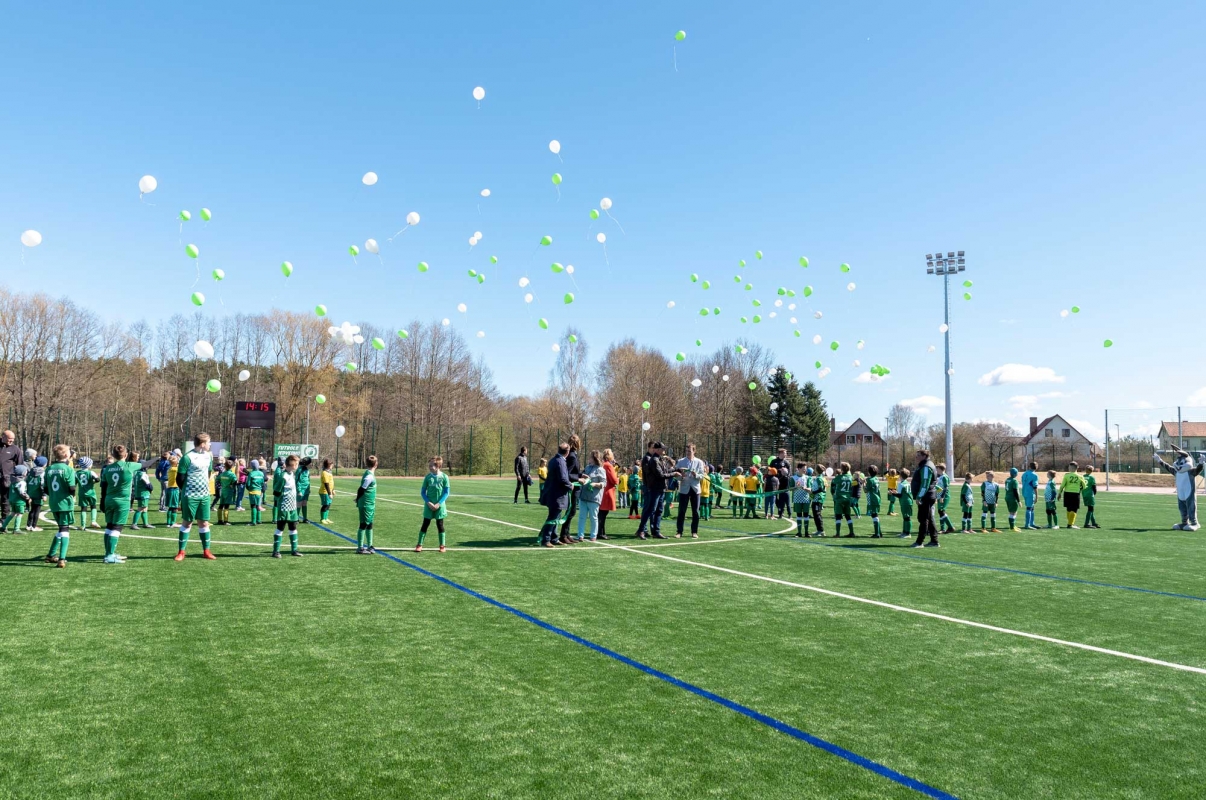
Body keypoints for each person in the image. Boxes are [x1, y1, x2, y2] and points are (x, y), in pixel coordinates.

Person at [175, 433, 217, 561]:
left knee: (204, 523)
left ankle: (206, 551)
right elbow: (179, 478)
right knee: (187, 523)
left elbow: (209, 472)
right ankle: (181, 552)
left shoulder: (209, 456)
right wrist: (188, 491)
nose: (210, 445)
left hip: (204, 495)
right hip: (189, 496)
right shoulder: (187, 457)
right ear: (203, 444)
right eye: (209, 442)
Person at [1153, 448, 1205, 530]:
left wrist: (1201, 463)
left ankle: (1194, 523)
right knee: (1182, 508)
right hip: (1180, 494)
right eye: (1178, 463)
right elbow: (1168, 467)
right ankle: (1184, 523)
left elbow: (1198, 470)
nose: (1179, 465)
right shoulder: (1176, 472)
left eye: (1181, 463)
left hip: (1189, 493)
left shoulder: (1190, 472)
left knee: (1191, 507)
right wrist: (1159, 460)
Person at [100, 445, 136, 564]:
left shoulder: (107, 469)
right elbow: (145, 465)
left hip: (109, 499)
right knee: (116, 528)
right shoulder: (129, 466)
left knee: (109, 526)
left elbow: (103, 486)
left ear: (113, 455)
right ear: (125, 455)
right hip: (122, 501)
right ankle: (109, 556)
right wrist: (156, 458)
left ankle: (108, 553)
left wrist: (102, 501)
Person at [44, 445, 76, 567]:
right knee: (65, 530)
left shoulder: (49, 468)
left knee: (60, 528)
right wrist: (73, 496)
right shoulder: (68, 469)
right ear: (67, 455)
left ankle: (51, 555)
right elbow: (71, 487)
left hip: (54, 502)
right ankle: (61, 559)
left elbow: (46, 488)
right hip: (65, 503)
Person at [636, 441, 674, 540]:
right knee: (650, 509)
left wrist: (676, 470)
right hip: (654, 488)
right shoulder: (654, 460)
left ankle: (656, 531)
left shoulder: (660, 459)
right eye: (662, 449)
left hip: (660, 488)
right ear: (657, 450)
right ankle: (641, 530)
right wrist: (674, 474)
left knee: (659, 510)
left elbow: (665, 471)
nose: (664, 450)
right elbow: (660, 475)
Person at [538, 443, 573, 547]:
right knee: (553, 517)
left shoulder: (554, 460)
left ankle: (554, 538)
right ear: (567, 452)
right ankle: (546, 539)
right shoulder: (560, 461)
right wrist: (570, 485)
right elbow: (563, 479)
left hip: (553, 493)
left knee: (557, 516)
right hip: (556, 494)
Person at [417, 456, 452, 552]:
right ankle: (419, 544)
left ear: (438, 466)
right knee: (425, 524)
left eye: (431, 465)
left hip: (440, 507)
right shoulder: (428, 477)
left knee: (440, 525)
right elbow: (423, 492)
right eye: (429, 465)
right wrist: (428, 502)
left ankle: (442, 545)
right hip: (429, 506)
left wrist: (439, 504)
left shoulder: (444, 477)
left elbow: (446, 492)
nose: (430, 467)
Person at [271, 455, 303, 557]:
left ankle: (294, 550)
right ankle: (276, 551)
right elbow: (276, 491)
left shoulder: (292, 474)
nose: (298, 465)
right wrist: (281, 500)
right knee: (280, 527)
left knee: (293, 527)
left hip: (292, 507)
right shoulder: (283, 476)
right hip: (284, 507)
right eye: (297, 463)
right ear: (292, 464)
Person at [675, 442, 707, 539]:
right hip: (684, 488)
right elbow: (676, 475)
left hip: (695, 489)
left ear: (694, 451)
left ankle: (694, 531)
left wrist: (696, 475)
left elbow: (702, 476)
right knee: (681, 511)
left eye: (690, 451)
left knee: (695, 512)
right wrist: (681, 476)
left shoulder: (699, 462)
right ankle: (679, 532)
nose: (688, 453)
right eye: (686, 451)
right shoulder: (681, 461)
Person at [574, 451, 606, 542]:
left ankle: (593, 535)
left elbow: (604, 483)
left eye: (591, 457)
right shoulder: (587, 468)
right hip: (583, 496)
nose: (589, 458)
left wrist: (595, 484)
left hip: (594, 498)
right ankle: (580, 535)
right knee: (582, 517)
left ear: (595, 458)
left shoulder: (601, 470)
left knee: (593, 517)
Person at [910, 451, 939, 548]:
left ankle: (919, 542)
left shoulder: (926, 467)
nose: (916, 457)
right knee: (929, 518)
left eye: (918, 456)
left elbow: (925, 484)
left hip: (926, 496)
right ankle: (934, 541)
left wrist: (919, 496)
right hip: (928, 495)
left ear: (924, 456)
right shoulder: (924, 465)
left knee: (923, 519)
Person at [355, 455, 379, 554]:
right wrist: (357, 498)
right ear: (376, 464)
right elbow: (361, 488)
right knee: (363, 524)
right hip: (366, 503)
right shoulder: (369, 476)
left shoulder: (369, 474)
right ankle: (360, 547)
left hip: (370, 504)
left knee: (370, 524)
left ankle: (370, 545)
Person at [0, 430, 24, 519]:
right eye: (10, 439)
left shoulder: (15, 449)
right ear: (3, 437)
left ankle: (3, 520)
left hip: (6, 477)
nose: (11, 441)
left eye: (13, 439)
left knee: (5, 499)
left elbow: (20, 465)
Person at [1058, 461, 1087, 529]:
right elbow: (1084, 486)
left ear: (1070, 468)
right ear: (1077, 468)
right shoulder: (1080, 476)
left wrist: (1059, 493)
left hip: (1067, 493)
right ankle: (1070, 524)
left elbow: (1062, 485)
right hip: (1075, 493)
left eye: (1069, 467)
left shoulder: (1066, 475)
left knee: (1068, 509)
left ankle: (1070, 523)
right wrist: (1080, 488)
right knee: (1074, 509)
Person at [1, 464, 30, 533]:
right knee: (19, 514)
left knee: (12, 513)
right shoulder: (22, 482)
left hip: (12, 500)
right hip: (19, 501)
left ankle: (3, 527)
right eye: (25, 471)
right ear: (22, 473)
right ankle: (16, 529)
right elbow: (22, 492)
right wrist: (27, 497)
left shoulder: (13, 481)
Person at [596, 449, 617, 540]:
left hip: (601, 491)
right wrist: (618, 479)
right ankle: (600, 532)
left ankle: (600, 531)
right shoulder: (608, 465)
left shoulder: (602, 464)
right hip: (607, 491)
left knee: (601, 513)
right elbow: (614, 480)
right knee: (603, 513)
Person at [75, 456, 100, 530]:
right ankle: (93, 521)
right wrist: (93, 482)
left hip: (82, 493)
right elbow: (98, 479)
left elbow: (74, 484)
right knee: (93, 506)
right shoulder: (91, 472)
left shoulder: (76, 473)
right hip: (91, 492)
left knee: (83, 508)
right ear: (88, 465)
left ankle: (83, 525)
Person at [832, 462, 855, 537]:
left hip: (840, 498)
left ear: (842, 469)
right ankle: (852, 532)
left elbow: (834, 481)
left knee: (838, 516)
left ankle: (837, 533)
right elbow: (854, 484)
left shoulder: (839, 477)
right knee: (848, 516)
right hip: (848, 498)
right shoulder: (850, 477)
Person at [26, 456, 46, 532]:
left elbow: (27, 481)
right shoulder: (42, 472)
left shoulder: (30, 471)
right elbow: (42, 484)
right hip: (38, 494)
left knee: (32, 510)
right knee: (37, 510)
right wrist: (44, 494)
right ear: (43, 464)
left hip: (30, 493)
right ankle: (34, 526)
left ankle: (28, 525)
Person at [131, 463, 154, 529]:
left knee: (145, 508)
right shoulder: (143, 474)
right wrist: (151, 488)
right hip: (143, 494)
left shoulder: (136, 473)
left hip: (138, 492)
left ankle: (145, 523)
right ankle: (134, 524)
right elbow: (148, 484)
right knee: (141, 508)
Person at [791, 462, 812, 537]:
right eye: (803, 469)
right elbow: (790, 488)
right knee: (799, 515)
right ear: (799, 469)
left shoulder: (807, 478)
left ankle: (806, 532)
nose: (805, 470)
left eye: (805, 469)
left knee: (806, 515)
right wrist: (795, 487)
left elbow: (810, 489)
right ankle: (799, 532)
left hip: (806, 499)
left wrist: (805, 488)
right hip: (797, 499)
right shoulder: (793, 478)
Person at [216, 458, 238, 525]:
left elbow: (217, 479)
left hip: (223, 491)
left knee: (221, 505)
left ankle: (219, 520)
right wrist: (231, 484)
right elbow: (235, 481)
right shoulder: (232, 474)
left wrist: (222, 484)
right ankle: (226, 521)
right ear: (232, 466)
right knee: (227, 506)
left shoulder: (222, 474)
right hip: (229, 491)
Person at [935, 464, 955, 533]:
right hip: (940, 496)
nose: (936, 470)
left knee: (942, 511)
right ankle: (942, 529)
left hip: (944, 496)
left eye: (937, 469)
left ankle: (950, 527)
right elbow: (939, 487)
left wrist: (942, 497)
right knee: (940, 511)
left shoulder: (945, 477)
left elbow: (946, 488)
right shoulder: (940, 477)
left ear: (940, 469)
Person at [894, 468, 913, 539]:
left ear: (900, 476)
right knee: (906, 517)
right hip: (908, 501)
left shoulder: (901, 484)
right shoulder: (907, 483)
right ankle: (904, 532)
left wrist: (892, 493)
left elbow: (899, 495)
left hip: (905, 501)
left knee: (907, 517)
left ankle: (908, 533)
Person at [1021, 461, 1040, 530]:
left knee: (1031, 508)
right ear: (1036, 467)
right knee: (1029, 508)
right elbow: (1035, 486)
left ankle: (1032, 523)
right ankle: (1027, 524)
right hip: (1030, 493)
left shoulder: (1024, 473)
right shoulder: (1034, 475)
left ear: (1029, 466)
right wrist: (1037, 496)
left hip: (1024, 491)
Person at [808, 466, 827, 536]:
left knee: (817, 514)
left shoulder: (819, 478)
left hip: (818, 498)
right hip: (819, 498)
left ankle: (820, 530)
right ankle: (820, 530)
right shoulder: (822, 478)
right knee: (817, 514)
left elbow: (821, 489)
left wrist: (813, 492)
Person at [246, 459, 266, 525]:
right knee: (258, 505)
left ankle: (253, 521)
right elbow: (263, 483)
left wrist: (249, 489)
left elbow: (248, 484)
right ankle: (259, 520)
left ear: (252, 466)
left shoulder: (251, 473)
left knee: (253, 506)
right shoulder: (261, 473)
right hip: (259, 492)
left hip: (252, 492)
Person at [865, 464, 883, 538]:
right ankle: (879, 532)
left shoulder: (869, 480)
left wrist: (863, 483)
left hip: (872, 498)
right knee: (875, 514)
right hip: (877, 497)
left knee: (874, 515)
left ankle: (877, 533)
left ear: (869, 472)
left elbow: (866, 490)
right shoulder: (876, 479)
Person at [164, 453, 181, 527]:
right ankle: (173, 522)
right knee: (174, 507)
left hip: (169, 488)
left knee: (170, 507)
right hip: (175, 489)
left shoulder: (169, 469)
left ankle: (168, 522)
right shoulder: (176, 469)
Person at [318, 459, 335, 523]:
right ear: (328, 465)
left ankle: (326, 518)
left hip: (329, 491)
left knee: (328, 505)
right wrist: (329, 493)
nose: (332, 465)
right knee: (325, 505)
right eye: (331, 464)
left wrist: (333, 490)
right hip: (324, 492)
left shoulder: (329, 472)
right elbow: (326, 484)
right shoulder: (324, 472)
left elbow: (331, 482)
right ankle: (322, 519)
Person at [297, 457, 312, 523]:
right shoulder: (299, 470)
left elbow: (308, 480)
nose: (311, 464)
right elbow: (297, 481)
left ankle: (305, 518)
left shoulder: (307, 470)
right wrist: (299, 490)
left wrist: (309, 489)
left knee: (304, 503)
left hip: (306, 490)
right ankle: (296, 518)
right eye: (310, 463)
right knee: (299, 504)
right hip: (301, 490)